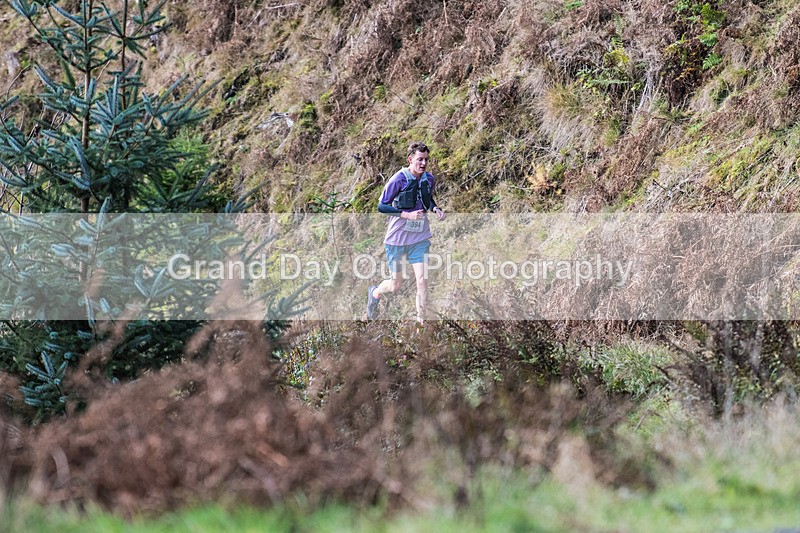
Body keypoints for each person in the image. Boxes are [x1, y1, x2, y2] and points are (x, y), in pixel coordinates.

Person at [367, 141, 445, 324]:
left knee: (422, 280)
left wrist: (436, 209)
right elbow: (381, 206)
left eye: (426, 159)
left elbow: (428, 200)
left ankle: (421, 324)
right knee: (396, 285)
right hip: (397, 239)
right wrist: (407, 215)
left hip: (420, 237)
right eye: (419, 160)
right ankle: (375, 292)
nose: (423, 164)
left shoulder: (429, 179)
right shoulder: (399, 179)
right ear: (410, 159)